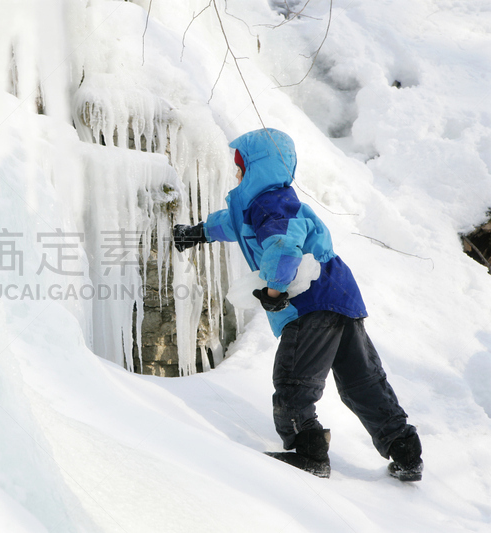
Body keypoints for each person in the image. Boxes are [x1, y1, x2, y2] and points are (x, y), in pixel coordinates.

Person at [173, 128, 423, 481]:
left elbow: (282, 249)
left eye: (240, 167)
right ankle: (406, 450)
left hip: (310, 303)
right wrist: (199, 232)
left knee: (292, 382)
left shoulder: (268, 205)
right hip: (340, 296)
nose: (236, 173)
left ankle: (310, 451)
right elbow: (232, 224)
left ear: (257, 169)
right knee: (361, 381)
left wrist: (274, 293)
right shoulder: (272, 203)